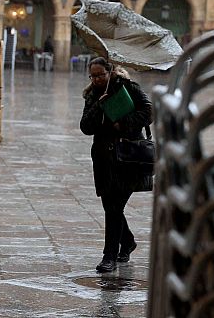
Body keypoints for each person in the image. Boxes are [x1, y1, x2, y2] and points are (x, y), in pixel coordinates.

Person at [80, 57, 153, 273]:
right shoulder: (92, 94)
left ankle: (109, 256)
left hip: (127, 157)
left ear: (110, 72)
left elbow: (149, 112)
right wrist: (99, 105)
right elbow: (85, 126)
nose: (96, 79)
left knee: (114, 207)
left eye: (100, 75)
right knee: (110, 206)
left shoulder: (129, 88)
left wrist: (124, 122)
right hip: (103, 158)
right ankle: (127, 241)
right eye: (92, 76)